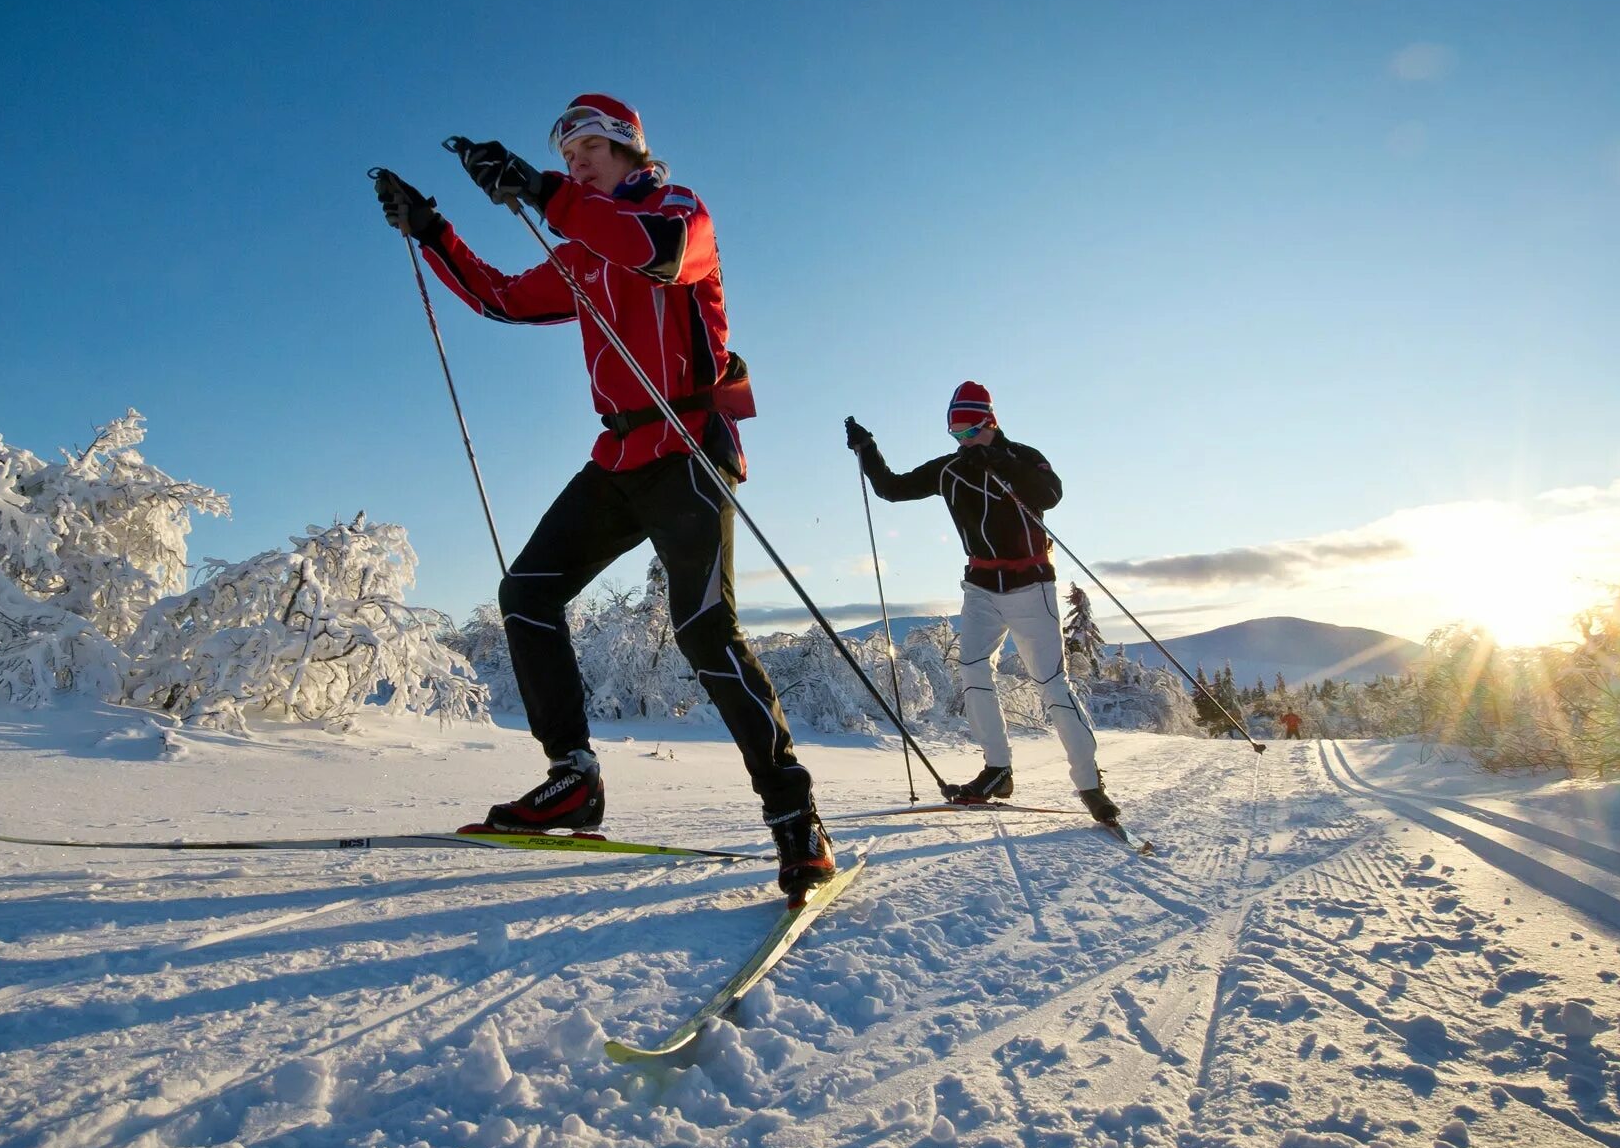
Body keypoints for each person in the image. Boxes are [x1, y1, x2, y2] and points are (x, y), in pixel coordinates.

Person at [371, 95, 835, 899]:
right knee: (527, 593)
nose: (575, 157)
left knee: (702, 629)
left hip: (688, 445)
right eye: (564, 149)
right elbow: (503, 299)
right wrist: (433, 231)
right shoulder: (579, 247)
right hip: (618, 453)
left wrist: (548, 192)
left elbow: (655, 254)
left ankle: (795, 819)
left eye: (587, 145)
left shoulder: (678, 213)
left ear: (627, 148)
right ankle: (573, 775)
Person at [845, 383, 1121, 825]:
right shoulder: (951, 470)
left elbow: (1050, 494)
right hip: (979, 587)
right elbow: (892, 489)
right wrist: (868, 450)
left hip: (1031, 587)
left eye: (971, 432)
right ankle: (998, 769)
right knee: (973, 669)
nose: (964, 442)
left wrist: (1001, 462)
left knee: (1051, 683)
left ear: (990, 422)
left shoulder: (1024, 457)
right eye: (956, 435)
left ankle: (1090, 784)